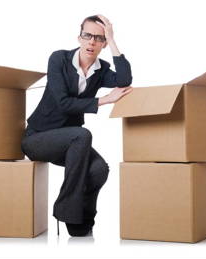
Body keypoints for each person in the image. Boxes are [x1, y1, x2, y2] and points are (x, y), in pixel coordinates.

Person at [21, 14, 133, 237]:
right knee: (82, 134)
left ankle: (82, 220)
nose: (92, 41)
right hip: (38, 138)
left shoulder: (100, 71)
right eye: (87, 35)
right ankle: (65, 210)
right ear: (79, 37)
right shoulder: (59, 60)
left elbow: (124, 79)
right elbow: (62, 103)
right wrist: (104, 100)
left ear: (102, 44)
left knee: (99, 169)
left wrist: (112, 39)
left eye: (98, 38)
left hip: (70, 143)